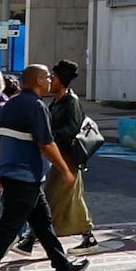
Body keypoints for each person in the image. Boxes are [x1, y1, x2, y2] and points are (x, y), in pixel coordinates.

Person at [0, 67, 83, 271]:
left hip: (16, 175)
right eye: (48, 77)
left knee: (43, 224)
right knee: (8, 228)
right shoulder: (36, 106)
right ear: (39, 80)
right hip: (25, 176)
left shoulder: (10, 105)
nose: (50, 80)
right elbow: (46, 144)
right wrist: (65, 171)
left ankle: (63, 266)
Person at [42, 61, 98, 247]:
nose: (50, 80)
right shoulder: (56, 101)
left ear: (62, 81)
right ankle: (33, 236)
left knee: (58, 197)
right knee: (59, 197)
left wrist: (49, 137)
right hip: (58, 156)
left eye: (53, 78)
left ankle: (32, 237)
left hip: (68, 158)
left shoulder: (71, 102)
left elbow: (71, 129)